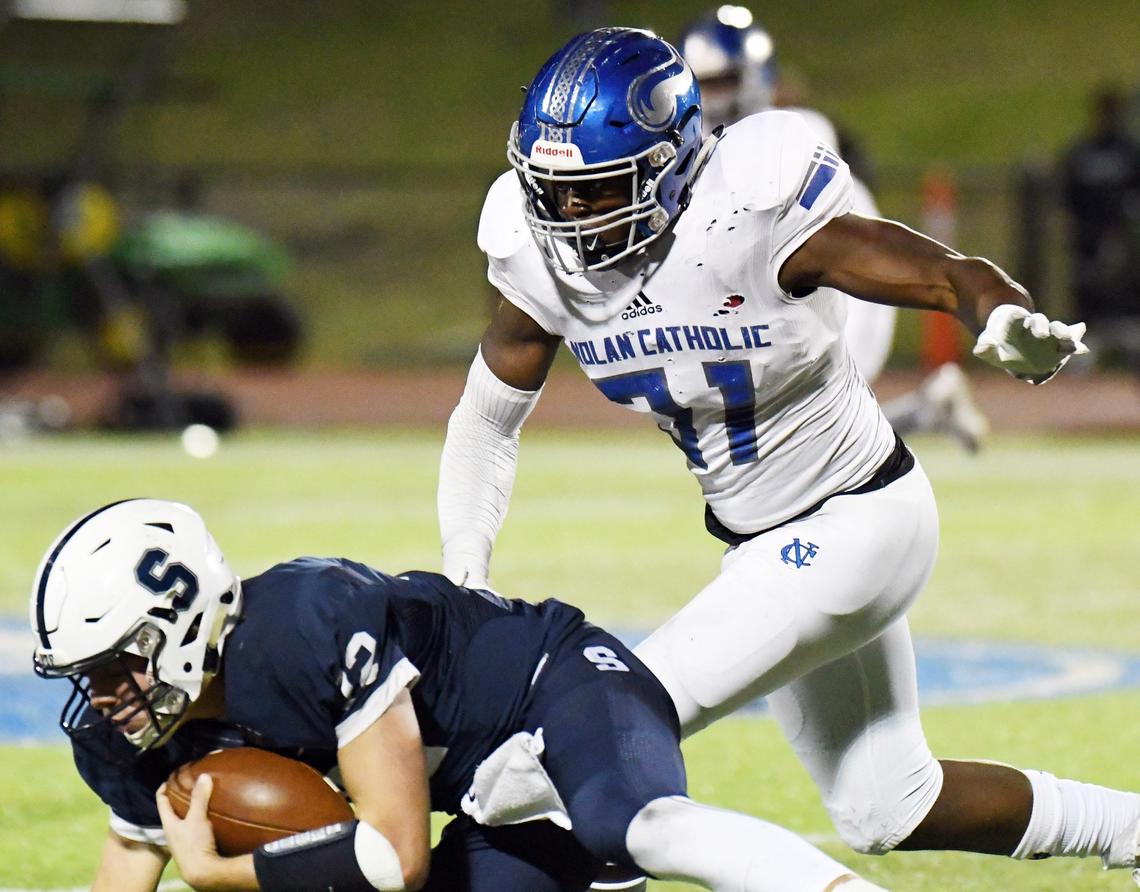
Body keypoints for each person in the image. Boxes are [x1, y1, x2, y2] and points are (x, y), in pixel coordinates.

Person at [436, 25, 1140, 889]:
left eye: (597, 191)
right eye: (554, 190)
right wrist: (464, 573)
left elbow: (941, 270)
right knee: (890, 804)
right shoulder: (539, 254)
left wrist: (997, 314)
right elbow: (485, 419)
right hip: (768, 541)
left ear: (670, 166)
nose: (568, 216)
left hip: (857, 522)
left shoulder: (748, 211)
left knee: (569, 744)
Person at [31, 497, 889, 892]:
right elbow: (131, 865)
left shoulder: (305, 626)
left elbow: (393, 856)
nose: (103, 697)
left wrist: (223, 874)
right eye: (86, 676)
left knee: (633, 824)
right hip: (487, 808)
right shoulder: (128, 733)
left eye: (117, 665)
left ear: (184, 622)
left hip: (555, 694)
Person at [678, 5, 988, 450]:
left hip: (841, 289)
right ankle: (927, 407)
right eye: (700, 83)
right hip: (779, 292)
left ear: (754, 76)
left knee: (807, 432)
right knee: (790, 437)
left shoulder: (796, 133)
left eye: (722, 81)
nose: (710, 96)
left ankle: (922, 415)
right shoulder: (711, 147)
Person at [1059, 83, 1140, 377]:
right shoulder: (1081, 153)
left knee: (1126, 293)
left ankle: (1128, 351)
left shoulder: (1130, 152)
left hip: (1124, 240)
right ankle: (1084, 352)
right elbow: (1069, 196)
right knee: (1086, 291)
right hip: (1087, 241)